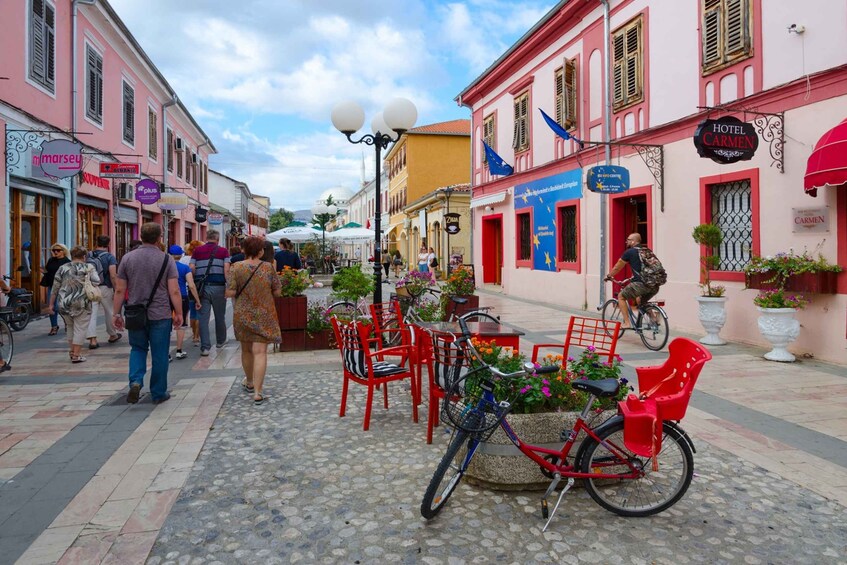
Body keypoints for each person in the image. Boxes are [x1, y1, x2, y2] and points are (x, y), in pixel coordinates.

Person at [113, 223, 182, 404]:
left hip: (135, 313)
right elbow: (174, 290)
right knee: (160, 354)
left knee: (137, 349)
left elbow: (120, 290)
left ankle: (135, 381)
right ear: (160, 238)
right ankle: (158, 392)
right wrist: (179, 313)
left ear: (141, 236)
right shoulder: (167, 260)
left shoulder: (127, 259)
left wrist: (116, 313)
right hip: (160, 314)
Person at [225, 236, 281, 405]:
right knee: (260, 352)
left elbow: (231, 293)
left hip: (243, 314)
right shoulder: (268, 268)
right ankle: (258, 391)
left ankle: (249, 381)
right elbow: (277, 292)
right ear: (260, 251)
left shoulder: (236, 267)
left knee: (246, 350)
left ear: (244, 250)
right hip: (264, 314)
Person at [49, 246, 100, 363]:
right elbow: (97, 281)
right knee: (80, 328)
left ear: (71, 256)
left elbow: (55, 287)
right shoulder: (88, 267)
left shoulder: (62, 268)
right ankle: (76, 355)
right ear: (84, 256)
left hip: (64, 302)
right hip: (81, 302)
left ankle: (72, 352)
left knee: (70, 327)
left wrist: (51, 304)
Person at [605, 233, 659, 330]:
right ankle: (653, 319)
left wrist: (609, 276)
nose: (627, 241)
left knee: (621, 296)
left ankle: (626, 323)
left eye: (628, 239)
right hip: (654, 285)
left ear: (634, 241)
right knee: (640, 300)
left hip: (640, 284)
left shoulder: (629, 252)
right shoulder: (647, 251)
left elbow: (618, 267)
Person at [190, 230, 230, 356]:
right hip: (219, 287)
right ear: (217, 239)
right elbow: (227, 270)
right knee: (219, 316)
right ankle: (220, 341)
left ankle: (205, 347)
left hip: (202, 288)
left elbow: (191, 268)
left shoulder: (197, 251)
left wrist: (197, 279)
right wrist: (228, 287)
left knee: (203, 318)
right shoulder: (223, 251)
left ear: (206, 238)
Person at [86, 235, 121, 349]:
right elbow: (113, 275)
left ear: (97, 242)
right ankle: (112, 334)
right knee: (110, 311)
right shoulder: (110, 257)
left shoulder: (89, 255)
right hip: (105, 287)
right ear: (108, 244)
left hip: (91, 287)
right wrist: (116, 289)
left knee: (92, 313)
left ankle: (92, 339)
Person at [169, 245, 201, 360]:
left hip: (166, 298)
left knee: (166, 324)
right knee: (181, 324)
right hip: (182, 297)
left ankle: (166, 353)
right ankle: (179, 350)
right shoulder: (185, 268)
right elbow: (191, 285)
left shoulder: (165, 267)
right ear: (181, 255)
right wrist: (197, 300)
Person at [40, 243, 70, 336]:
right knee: (52, 307)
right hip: (52, 286)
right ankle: (54, 326)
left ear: (63, 251)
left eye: (58, 250)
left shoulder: (67, 261)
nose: (55, 252)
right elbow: (48, 271)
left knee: (60, 306)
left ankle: (67, 323)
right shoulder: (51, 260)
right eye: (54, 250)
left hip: (63, 287)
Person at [182, 240, 203, 344]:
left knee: (192, 313)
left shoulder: (183, 259)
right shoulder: (200, 258)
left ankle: (193, 333)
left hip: (187, 289)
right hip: (200, 287)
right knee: (199, 311)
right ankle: (197, 336)